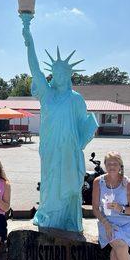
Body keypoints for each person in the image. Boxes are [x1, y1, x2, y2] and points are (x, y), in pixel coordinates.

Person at [21, 13, 98, 232]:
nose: (60, 75)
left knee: (70, 188)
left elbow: (84, 125)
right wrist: (29, 39)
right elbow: (35, 69)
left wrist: (82, 140)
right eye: (56, 72)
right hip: (51, 148)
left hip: (70, 150)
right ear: (52, 74)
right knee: (50, 185)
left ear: (69, 74)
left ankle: (68, 220)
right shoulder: (47, 94)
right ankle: (49, 217)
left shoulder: (76, 98)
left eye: (64, 72)